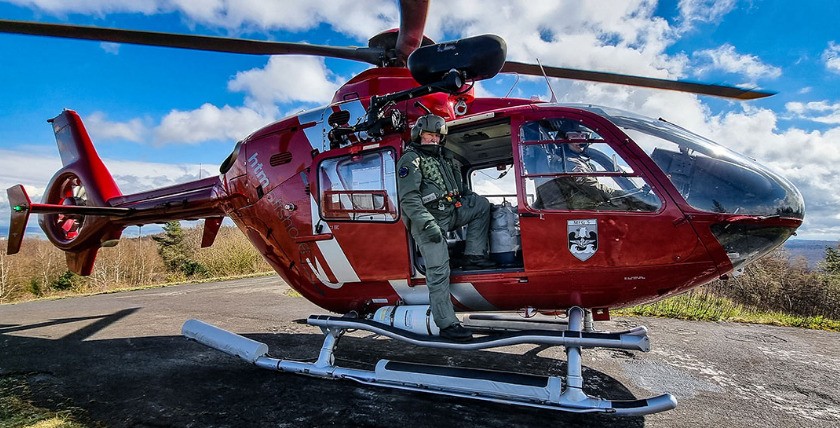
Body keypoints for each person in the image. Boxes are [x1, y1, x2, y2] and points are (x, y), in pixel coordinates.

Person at [396, 114, 494, 342]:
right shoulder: (411, 160)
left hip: (449, 212)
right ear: (419, 135)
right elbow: (409, 200)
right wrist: (427, 223)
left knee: (481, 205)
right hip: (427, 221)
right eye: (429, 135)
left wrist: (469, 197)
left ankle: (474, 256)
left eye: (437, 136)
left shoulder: (445, 159)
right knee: (439, 271)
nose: (433, 139)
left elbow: (460, 189)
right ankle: (447, 323)